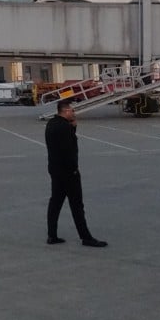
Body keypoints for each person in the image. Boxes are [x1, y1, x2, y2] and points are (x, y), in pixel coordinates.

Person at [45, 100, 107, 247]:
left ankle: (52, 235)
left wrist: (73, 128)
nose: (74, 113)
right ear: (65, 111)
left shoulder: (51, 124)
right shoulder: (65, 128)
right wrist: (74, 169)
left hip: (55, 169)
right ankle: (86, 237)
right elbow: (69, 149)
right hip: (68, 172)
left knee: (55, 202)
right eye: (72, 111)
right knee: (77, 205)